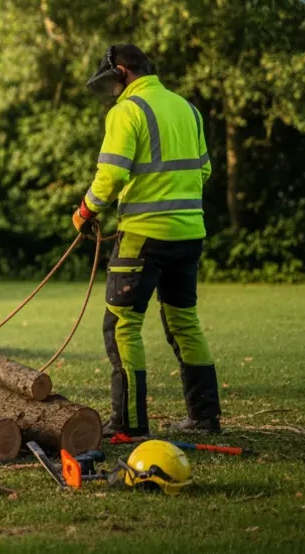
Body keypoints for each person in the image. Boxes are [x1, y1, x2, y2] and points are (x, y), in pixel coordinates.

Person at [72, 44, 221, 436]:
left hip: (143, 236)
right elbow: (203, 171)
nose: (111, 92)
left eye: (111, 83)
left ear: (123, 72)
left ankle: (130, 425)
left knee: (122, 324)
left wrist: (85, 211)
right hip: (189, 234)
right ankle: (205, 418)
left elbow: (111, 176)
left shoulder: (127, 111)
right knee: (184, 322)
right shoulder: (187, 109)